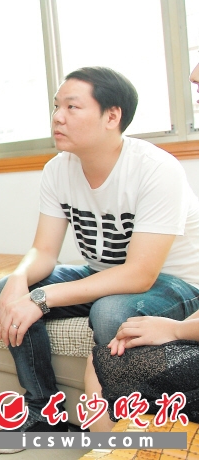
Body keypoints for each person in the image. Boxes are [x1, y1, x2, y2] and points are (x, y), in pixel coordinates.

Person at [0, 66, 199, 454]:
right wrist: (19, 280)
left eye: (72, 106)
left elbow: (140, 274)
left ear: (111, 117)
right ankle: (43, 412)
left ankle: (119, 427)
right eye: (56, 106)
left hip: (174, 282)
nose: (57, 117)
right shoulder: (57, 170)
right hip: (104, 273)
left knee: (109, 310)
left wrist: (42, 299)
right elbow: (44, 252)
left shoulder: (155, 169)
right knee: (9, 288)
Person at [83, 60, 199, 433]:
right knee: (105, 359)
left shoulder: (155, 167)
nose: (193, 75)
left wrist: (177, 330)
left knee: (110, 361)